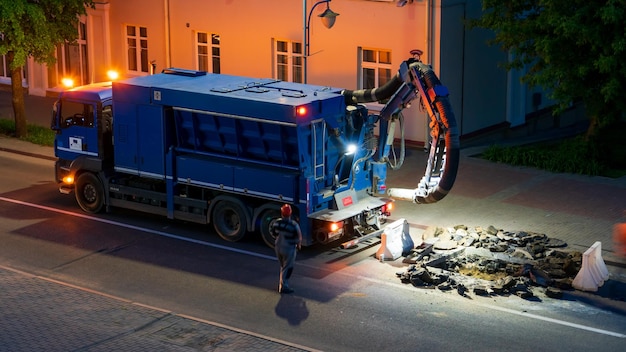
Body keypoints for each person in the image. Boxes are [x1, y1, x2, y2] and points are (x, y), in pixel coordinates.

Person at [271, 204, 302, 294]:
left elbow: (273, 233)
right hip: (289, 248)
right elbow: (299, 237)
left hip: (278, 247)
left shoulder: (277, 222)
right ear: (290, 213)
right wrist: (298, 246)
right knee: (288, 267)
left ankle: (282, 283)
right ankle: (284, 286)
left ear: (281, 213)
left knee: (283, 266)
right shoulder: (293, 225)